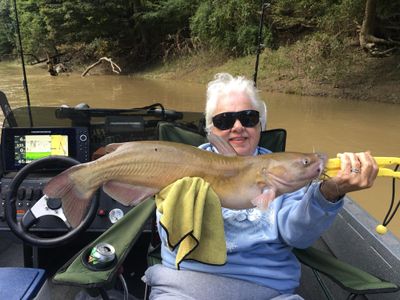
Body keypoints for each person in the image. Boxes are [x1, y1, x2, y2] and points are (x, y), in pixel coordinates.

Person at [143, 73, 378, 299]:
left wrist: (329, 193)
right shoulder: (179, 164)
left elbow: (298, 235)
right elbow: (168, 234)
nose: (237, 126)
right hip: (186, 287)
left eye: (248, 118)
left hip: (267, 290)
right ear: (211, 129)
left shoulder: (287, 172)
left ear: (260, 125)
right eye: (224, 120)